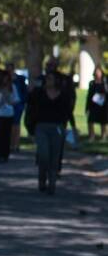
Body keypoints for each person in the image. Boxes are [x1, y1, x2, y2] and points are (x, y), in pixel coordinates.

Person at [24, 57, 76, 194]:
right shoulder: (39, 93)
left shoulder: (63, 95)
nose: (48, 81)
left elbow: (68, 111)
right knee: (44, 154)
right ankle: (42, 179)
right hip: (41, 127)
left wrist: (72, 126)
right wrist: (30, 126)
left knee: (55, 156)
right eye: (47, 79)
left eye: (50, 79)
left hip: (58, 127)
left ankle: (52, 182)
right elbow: (30, 107)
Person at [0, 68, 18, 162]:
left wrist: (8, 97)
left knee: (7, 134)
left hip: (8, 113)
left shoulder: (12, 87)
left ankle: (5, 154)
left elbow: (15, 100)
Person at [86, 65, 107, 142]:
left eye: (98, 72)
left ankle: (103, 136)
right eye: (96, 72)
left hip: (103, 105)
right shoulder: (92, 83)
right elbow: (89, 96)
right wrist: (87, 107)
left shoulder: (105, 83)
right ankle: (92, 136)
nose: (97, 74)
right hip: (93, 105)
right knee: (90, 121)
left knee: (103, 121)